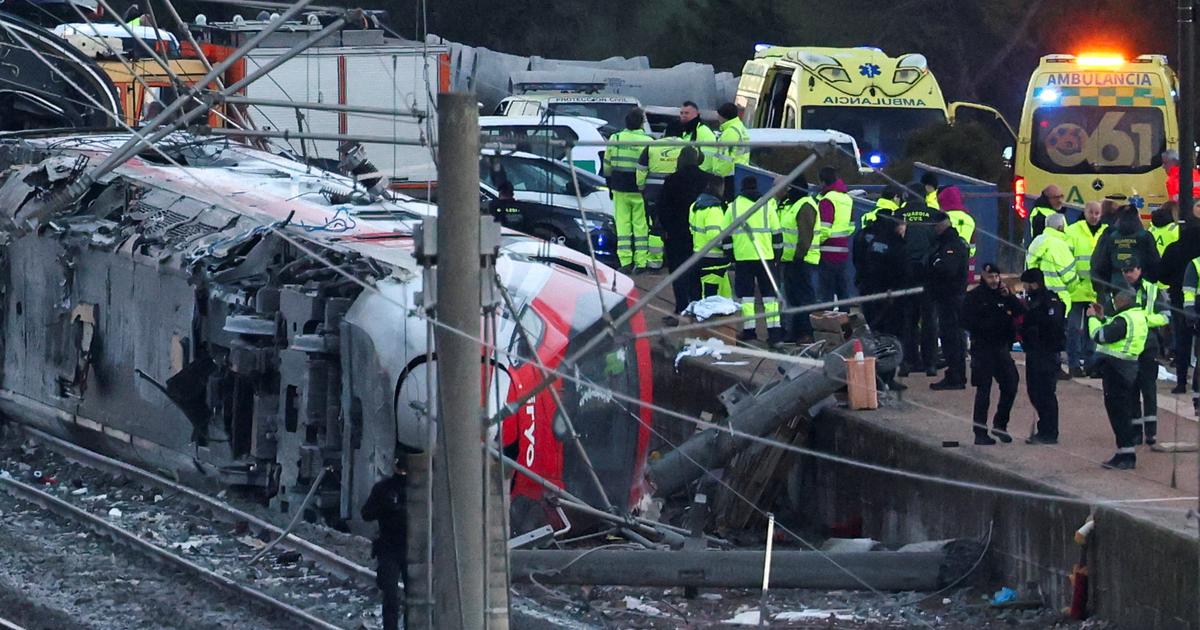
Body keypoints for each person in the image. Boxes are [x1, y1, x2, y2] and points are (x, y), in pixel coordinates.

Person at [963, 263, 1024, 444]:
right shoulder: (974, 297)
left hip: (1001, 348)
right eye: (991, 277)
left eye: (997, 277)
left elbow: (1021, 312)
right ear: (983, 276)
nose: (995, 280)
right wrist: (985, 326)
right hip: (982, 348)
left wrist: (1010, 297)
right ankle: (980, 432)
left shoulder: (1003, 295)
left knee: (1011, 383)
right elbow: (965, 320)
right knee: (984, 390)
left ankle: (1000, 424)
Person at [1088, 291, 1150, 469]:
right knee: (1122, 411)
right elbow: (1115, 329)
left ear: (1123, 301)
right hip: (1128, 368)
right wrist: (1103, 317)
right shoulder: (1137, 316)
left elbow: (1101, 336)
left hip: (1116, 370)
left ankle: (1126, 456)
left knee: (1118, 413)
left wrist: (1092, 318)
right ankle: (1124, 453)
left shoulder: (1123, 319)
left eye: (1115, 300)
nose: (1113, 303)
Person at [726, 177, 783, 343]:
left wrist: (732, 258)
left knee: (746, 297)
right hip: (766, 257)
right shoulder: (767, 206)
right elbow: (777, 235)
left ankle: (749, 332)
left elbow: (726, 237)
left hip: (743, 258)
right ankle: (775, 334)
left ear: (742, 188)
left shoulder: (733, 207)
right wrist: (776, 257)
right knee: (769, 297)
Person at [657, 146, 710, 318]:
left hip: (676, 234)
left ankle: (681, 307)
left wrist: (665, 228)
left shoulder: (672, 180)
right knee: (696, 272)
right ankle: (696, 307)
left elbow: (663, 207)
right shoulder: (706, 179)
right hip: (699, 234)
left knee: (678, 272)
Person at [1019, 268, 1067, 444]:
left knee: (1045, 392)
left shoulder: (1048, 301)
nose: (1025, 288)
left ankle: (1049, 431)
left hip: (1046, 352)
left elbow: (1052, 325)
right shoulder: (1035, 300)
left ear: (1034, 284)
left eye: (1026, 284)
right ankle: (1044, 427)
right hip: (1035, 352)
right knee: (1034, 391)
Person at [1124, 262, 1169, 445]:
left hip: (1148, 345)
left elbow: (1165, 316)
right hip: (1129, 347)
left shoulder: (1152, 290)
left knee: (1149, 388)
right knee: (1132, 389)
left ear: (1140, 270)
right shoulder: (1119, 289)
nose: (1128, 274)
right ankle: (1136, 431)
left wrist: (1144, 320)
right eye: (1125, 271)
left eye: (1131, 270)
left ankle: (1151, 432)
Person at [603, 108, 653, 272]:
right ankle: (641, 263)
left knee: (623, 225)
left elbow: (607, 165)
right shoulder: (648, 141)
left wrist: (609, 184)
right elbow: (648, 168)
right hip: (639, 189)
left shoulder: (615, 138)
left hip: (619, 187)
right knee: (641, 226)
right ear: (641, 123)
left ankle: (625, 262)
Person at [362, 458, 409, 630]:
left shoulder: (419, 489)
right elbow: (366, 513)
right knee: (390, 594)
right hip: (389, 547)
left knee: (413, 597)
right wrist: (385, 507)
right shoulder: (384, 489)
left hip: (412, 549)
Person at [897, 186, 939, 377]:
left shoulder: (899, 214)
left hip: (905, 272)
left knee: (908, 318)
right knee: (929, 318)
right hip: (929, 272)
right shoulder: (935, 215)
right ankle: (930, 363)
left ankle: (908, 361)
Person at [926, 210, 969, 390]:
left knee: (952, 337)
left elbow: (948, 269)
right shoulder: (947, 242)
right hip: (949, 296)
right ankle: (955, 374)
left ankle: (956, 376)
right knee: (951, 337)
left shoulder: (951, 244)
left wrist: (935, 262)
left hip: (951, 297)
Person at [1064, 201, 1107, 377]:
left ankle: (1091, 364)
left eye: (1098, 213)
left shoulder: (1106, 231)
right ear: (1085, 212)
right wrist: (1073, 280)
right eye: (1091, 212)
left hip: (1096, 290)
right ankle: (1073, 363)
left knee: (1093, 329)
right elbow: (1066, 257)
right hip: (1076, 288)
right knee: (1073, 328)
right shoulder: (1073, 231)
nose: (1095, 216)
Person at [852, 208, 907, 336]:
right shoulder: (893, 241)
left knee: (872, 319)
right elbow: (898, 267)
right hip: (887, 289)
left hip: (866, 283)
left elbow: (857, 258)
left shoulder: (864, 234)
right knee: (888, 324)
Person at [1092, 205, 1160, 307]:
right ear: (1137, 216)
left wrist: (1104, 288)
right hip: (1142, 289)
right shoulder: (1145, 236)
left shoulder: (1109, 236)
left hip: (1115, 288)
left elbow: (1098, 264)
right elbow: (1155, 264)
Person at [778, 177, 819, 342]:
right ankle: (795, 332)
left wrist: (798, 256)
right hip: (791, 260)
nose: (788, 191)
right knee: (794, 298)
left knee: (804, 298)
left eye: (790, 188)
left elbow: (805, 236)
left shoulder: (805, 205)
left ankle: (806, 333)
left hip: (802, 261)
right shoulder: (794, 205)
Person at [1161, 222, 1200, 391]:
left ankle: (1181, 382)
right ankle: (1197, 385)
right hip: (1195, 304)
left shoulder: (1174, 249)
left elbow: (1162, 274)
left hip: (1178, 301)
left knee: (1182, 343)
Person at [815, 166, 855, 303]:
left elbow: (825, 229)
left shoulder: (827, 199)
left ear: (823, 182)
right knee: (843, 291)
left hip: (827, 252)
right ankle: (846, 322)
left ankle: (826, 323)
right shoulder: (847, 198)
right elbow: (851, 226)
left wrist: (814, 244)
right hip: (842, 251)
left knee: (826, 293)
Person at [690, 178, 732, 299]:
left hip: (699, 255)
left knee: (722, 296)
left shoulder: (695, 206)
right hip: (715, 259)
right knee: (710, 298)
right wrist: (729, 248)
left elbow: (692, 229)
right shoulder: (714, 209)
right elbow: (715, 237)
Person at [1026, 212, 1077, 312]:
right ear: (1060, 227)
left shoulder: (1037, 242)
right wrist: (1073, 288)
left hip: (1037, 298)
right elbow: (1069, 275)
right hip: (1059, 300)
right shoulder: (1059, 245)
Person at [938, 185, 977, 279]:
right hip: (964, 260)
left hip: (945, 262)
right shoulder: (969, 218)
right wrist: (968, 254)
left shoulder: (942, 217)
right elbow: (973, 243)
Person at [713, 102, 750, 198]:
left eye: (719, 115)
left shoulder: (730, 132)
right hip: (739, 172)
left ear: (724, 116)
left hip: (728, 177)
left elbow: (724, 158)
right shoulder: (740, 127)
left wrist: (718, 176)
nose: (718, 118)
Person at [679, 101, 718, 176]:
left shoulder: (704, 132)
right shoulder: (688, 131)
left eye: (687, 113)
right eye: (681, 113)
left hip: (698, 176)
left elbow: (708, 159)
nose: (683, 115)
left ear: (696, 114)